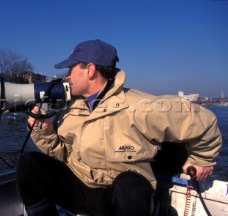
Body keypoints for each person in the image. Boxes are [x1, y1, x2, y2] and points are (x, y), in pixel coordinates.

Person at [17, 39, 222, 216]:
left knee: (130, 184)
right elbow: (61, 155)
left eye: (71, 69)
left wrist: (201, 159)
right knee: (29, 163)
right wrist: (43, 130)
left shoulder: (141, 107)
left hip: (123, 198)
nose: (67, 75)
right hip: (83, 189)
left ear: (90, 70)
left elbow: (203, 121)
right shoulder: (69, 110)